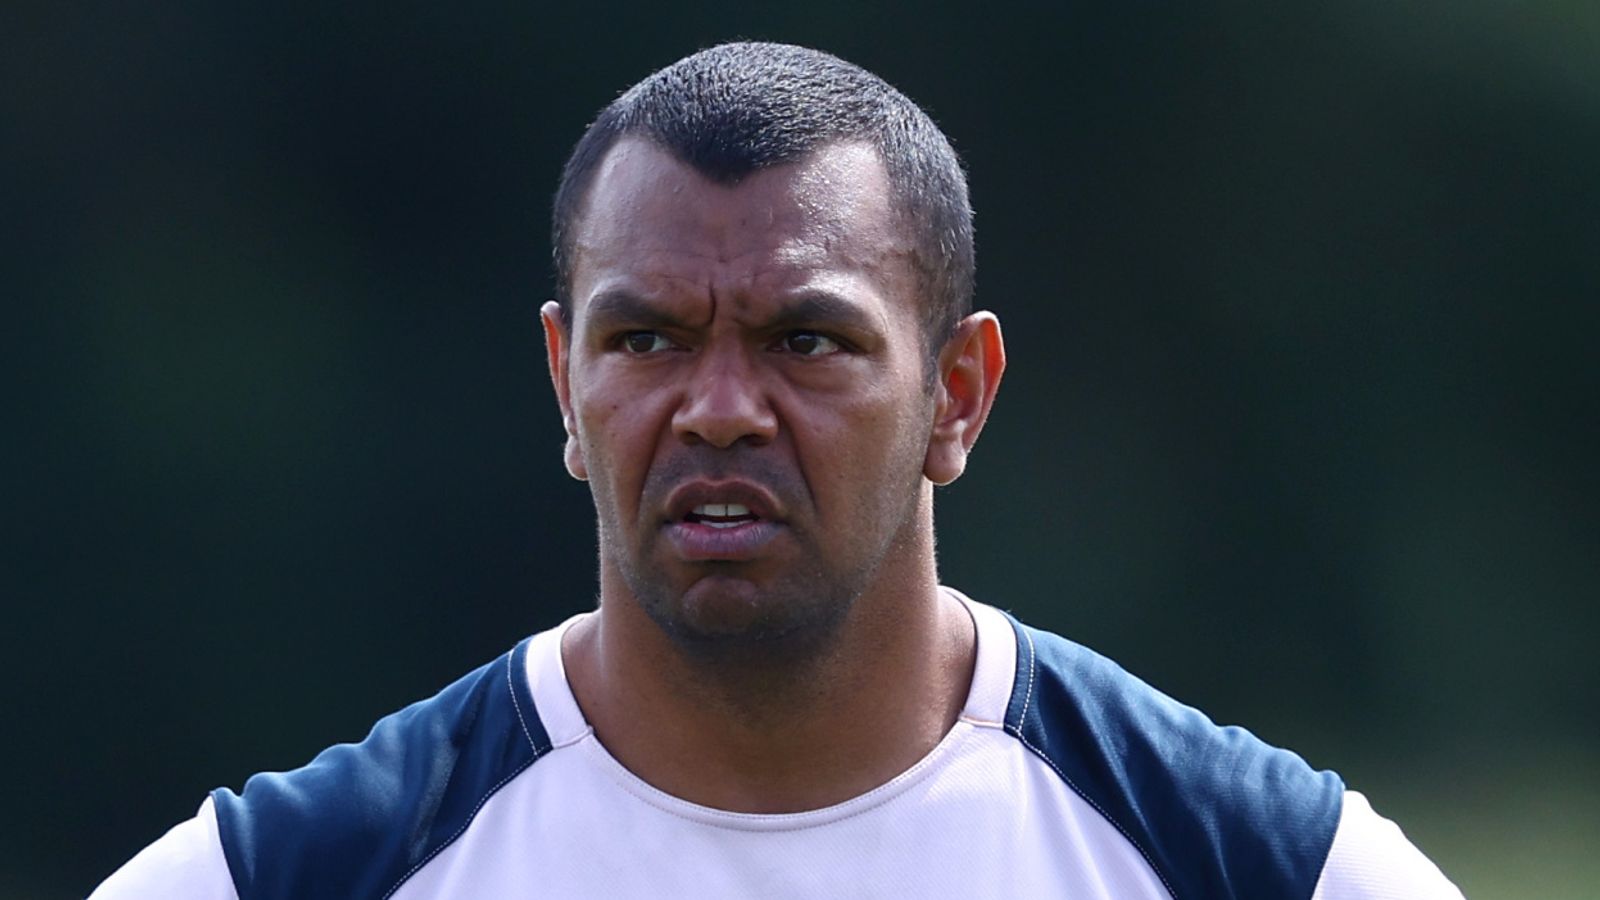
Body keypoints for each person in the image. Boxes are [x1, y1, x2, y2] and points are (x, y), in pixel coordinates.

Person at [91, 42, 1462, 899]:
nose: (719, 411)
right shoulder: (299, 874)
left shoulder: (1253, 866)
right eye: (647, 338)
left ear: (957, 394)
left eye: (806, 340)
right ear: (566, 383)